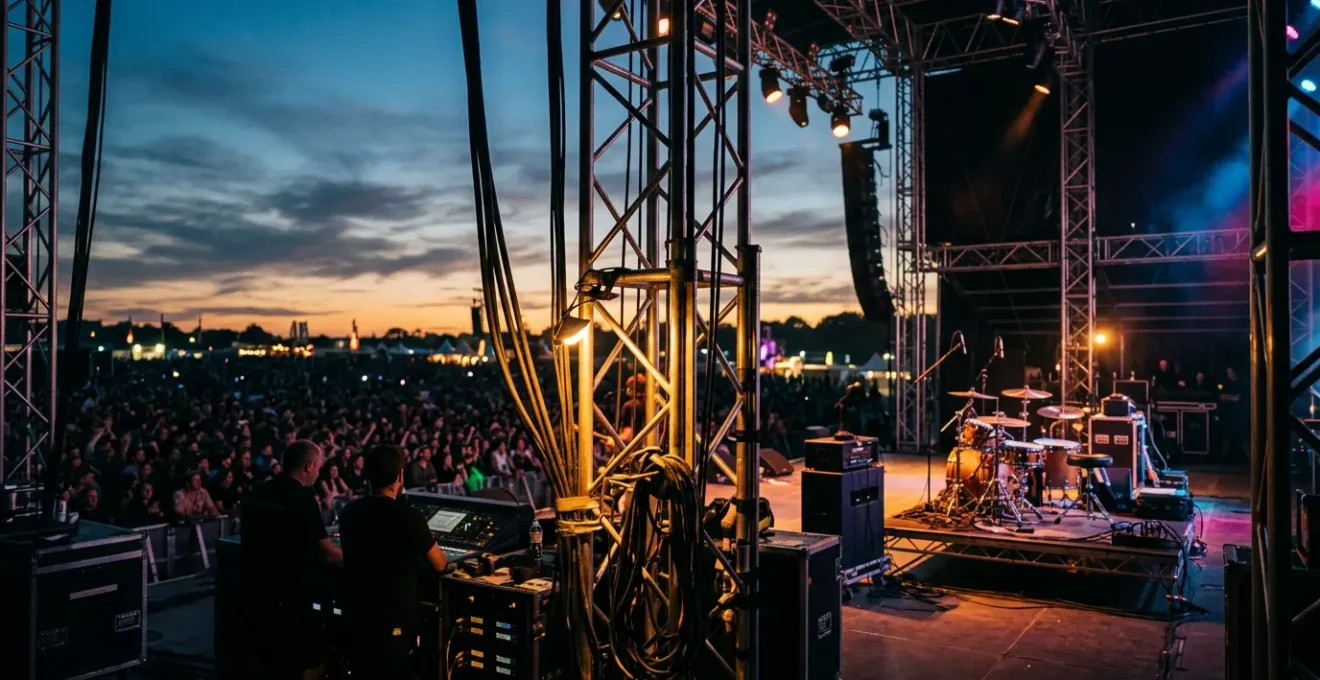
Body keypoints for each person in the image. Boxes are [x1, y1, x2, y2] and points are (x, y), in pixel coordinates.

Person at [339, 444, 448, 679]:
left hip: (357, 616)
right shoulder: (409, 516)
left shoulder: (349, 513)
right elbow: (440, 563)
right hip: (394, 621)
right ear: (400, 476)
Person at [240, 440, 343, 679]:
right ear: (308, 467)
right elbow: (326, 554)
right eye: (318, 468)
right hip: (290, 593)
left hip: (254, 588)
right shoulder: (303, 497)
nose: (319, 473)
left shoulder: (259, 491)